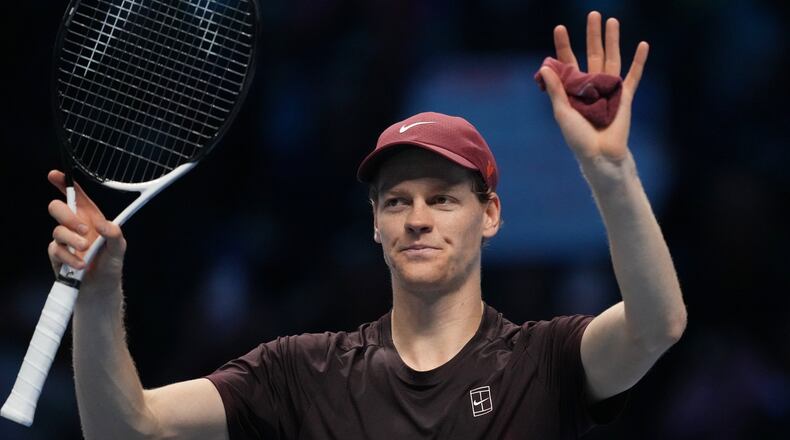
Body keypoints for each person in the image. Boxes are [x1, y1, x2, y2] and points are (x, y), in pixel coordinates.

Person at [45, 11, 686, 440]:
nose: (417, 219)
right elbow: (128, 429)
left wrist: (610, 169)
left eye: (442, 199)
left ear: (490, 215)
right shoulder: (302, 374)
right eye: (396, 202)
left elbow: (657, 325)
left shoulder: (543, 361)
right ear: (374, 224)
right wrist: (100, 297)